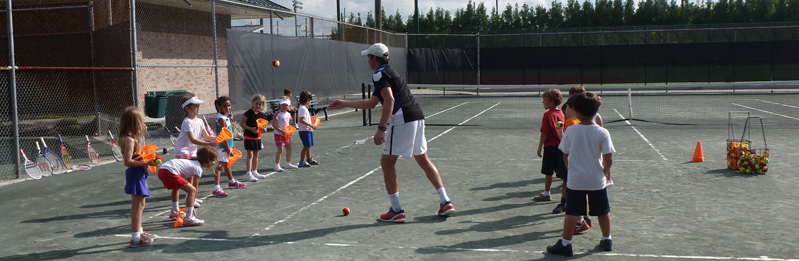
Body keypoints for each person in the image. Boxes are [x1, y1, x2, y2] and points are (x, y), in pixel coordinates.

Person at [329, 43, 455, 222]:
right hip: (417, 117)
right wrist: (345, 103)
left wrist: (381, 128)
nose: (367, 61)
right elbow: (373, 102)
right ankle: (446, 202)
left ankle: (396, 210)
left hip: (403, 119)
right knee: (423, 160)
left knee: (387, 163)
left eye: (368, 57)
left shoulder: (379, 74)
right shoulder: (388, 72)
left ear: (374, 58)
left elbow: (389, 100)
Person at [546, 92, 615, 256]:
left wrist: (570, 170)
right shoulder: (602, 132)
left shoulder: (570, 131)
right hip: (596, 179)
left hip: (576, 179)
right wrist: (605, 172)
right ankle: (607, 240)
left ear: (577, 111)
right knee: (603, 211)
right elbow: (608, 157)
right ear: (596, 110)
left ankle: (566, 244)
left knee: (572, 211)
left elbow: (564, 154)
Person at [171, 95, 218, 218]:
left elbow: (207, 137)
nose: (198, 108)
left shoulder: (201, 121)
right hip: (182, 151)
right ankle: (174, 208)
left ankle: (190, 199)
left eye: (198, 106)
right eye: (195, 106)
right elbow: (193, 139)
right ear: (187, 108)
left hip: (192, 152)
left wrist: (220, 138)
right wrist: (209, 144)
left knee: (191, 177)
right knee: (180, 181)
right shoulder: (187, 122)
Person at [119, 106, 159, 248]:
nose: (142, 125)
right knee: (137, 207)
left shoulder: (131, 138)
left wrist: (146, 160)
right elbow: (127, 161)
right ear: (134, 122)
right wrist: (147, 162)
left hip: (139, 173)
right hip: (135, 174)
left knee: (140, 205)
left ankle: (140, 233)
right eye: (140, 121)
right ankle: (136, 238)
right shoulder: (129, 140)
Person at [157, 147, 218, 227]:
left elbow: (189, 182)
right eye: (213, 160)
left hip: (162, 170)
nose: (214, 163)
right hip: (169, 171)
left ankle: (175, 211)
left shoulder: (191, 163)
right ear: (207, 160)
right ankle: (189, 218)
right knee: (192, 190)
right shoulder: (197, 168)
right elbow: (194, 189)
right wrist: (191, 207)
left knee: (177, 187)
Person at [533, 89, 564, 202]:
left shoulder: (547, 115)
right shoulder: (562, 113)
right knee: (563, 173)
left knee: (548, 171)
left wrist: (540, 146)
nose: (543, 102)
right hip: (561, 146)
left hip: (550, 146)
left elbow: (544, 132)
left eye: (545, 100)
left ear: (551, 102)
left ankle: (547, 193)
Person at [212, 96, 247, 198]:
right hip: (223, 147)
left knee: (227, 165)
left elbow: (229, 134)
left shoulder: (226, 117)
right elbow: (223, 136)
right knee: (220, 167)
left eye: (229, 106)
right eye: (225, 106)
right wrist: (227, 148)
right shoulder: (221, 119)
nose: (227, 108)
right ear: (219, 107)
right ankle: (216, 188)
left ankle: (231, 182)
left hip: (227, 146)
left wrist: (232, 146)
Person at [240, 95, 269, 181]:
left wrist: (263, 129)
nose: (258, 106)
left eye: (260, 104)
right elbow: (242, 124)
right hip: (248, 136)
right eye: (256, 103)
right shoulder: (248, 113)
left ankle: (254, 172)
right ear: (252, 103)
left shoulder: (261, 115)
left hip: (257, 138)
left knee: (256, 155)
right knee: (250, 155)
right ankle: (248, 174)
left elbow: (265, 129)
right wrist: (251, 129)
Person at [272, 97, 298, 171]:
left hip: (286, 135)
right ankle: (276, 165)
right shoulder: (277, 114)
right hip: (278, 134)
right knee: (280, 150)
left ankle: (288, 163)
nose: (284, 107)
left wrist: (289, 132)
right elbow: (274, 124)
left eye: (286, 105)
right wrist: (281, 131)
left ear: (289, 106)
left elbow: (288, 125)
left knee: (289, 148)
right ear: (280, 105)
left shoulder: (288, 114)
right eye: (283, 105)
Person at [296, 91, 319, 167]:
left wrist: (311, 122)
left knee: (309, 145)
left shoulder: (304, 108)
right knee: (306, 146)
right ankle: (302, 161)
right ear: (308, 100)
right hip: (304, 131)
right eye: (310, 101)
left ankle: (309, 159)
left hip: (308, 130)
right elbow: (301, 120)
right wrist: (310, 125)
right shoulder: (302, 108)